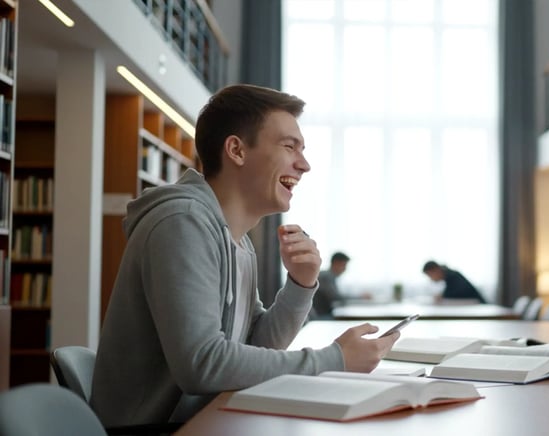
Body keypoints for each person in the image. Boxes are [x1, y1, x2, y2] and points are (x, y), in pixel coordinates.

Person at [91, 85, 400, 429]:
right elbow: (202, 364)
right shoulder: (183, 223)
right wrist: (335, 359)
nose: (304, 164)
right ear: (236, 150)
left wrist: (300, 284)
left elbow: (256, 346)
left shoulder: (237, 241)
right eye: (289, 146)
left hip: (205, 420)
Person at [422, 260, 487, 303]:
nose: (431, 278)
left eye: (429, 275)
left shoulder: (453, 276)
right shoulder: (449, 276)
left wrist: (442, 296)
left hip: (478, 305)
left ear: (436, 270)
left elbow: (459, 292)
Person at [312, 251, 352, 318]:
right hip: (320, 316)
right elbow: (336, 297)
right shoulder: (326, 277)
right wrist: (360, 298)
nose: (345, 269)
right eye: (344, 265)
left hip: (323, 314)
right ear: (336, 263)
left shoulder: (329, 276)